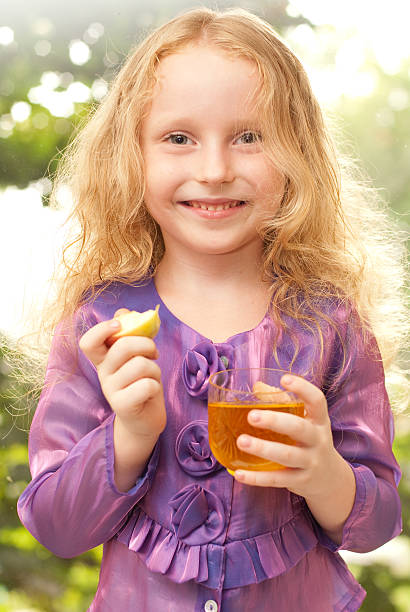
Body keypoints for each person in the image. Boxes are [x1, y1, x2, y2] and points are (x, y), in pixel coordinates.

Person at [17, 7, 406, 611]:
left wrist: (323, 472)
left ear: (298, 153)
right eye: (179, 138)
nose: (216, 169)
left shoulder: (329, 324)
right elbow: (57, 528)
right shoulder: (102, 328)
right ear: (132, 156)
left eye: (249, 137)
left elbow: (378, 523)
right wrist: (130, 434)